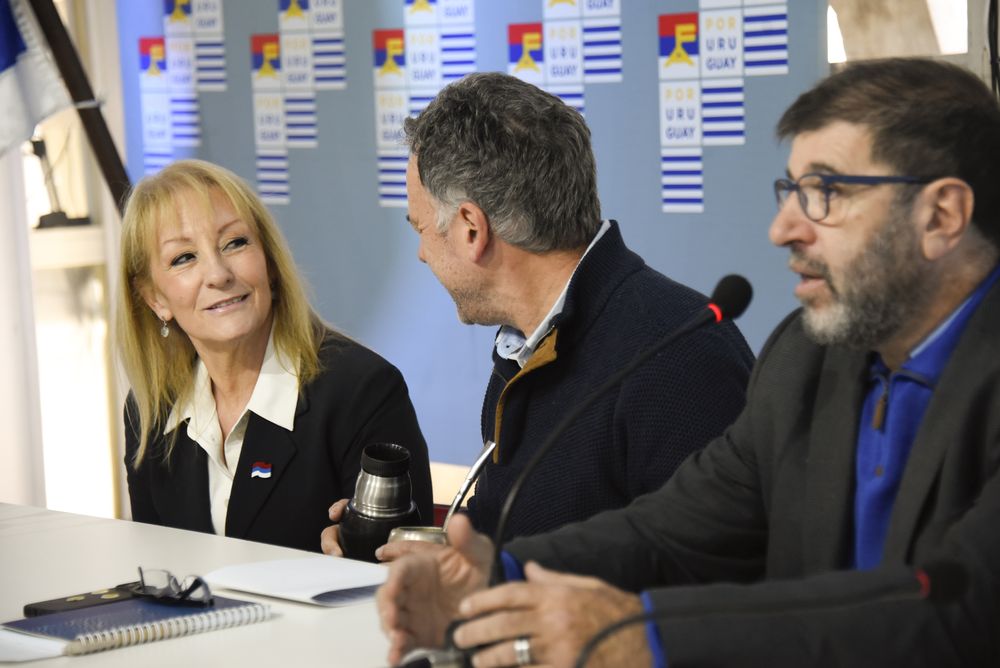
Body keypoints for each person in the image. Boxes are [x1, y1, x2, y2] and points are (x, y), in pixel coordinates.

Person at [376, 57, 1000, 667]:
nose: (783, 228)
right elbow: (676, 527)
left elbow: (961, 608)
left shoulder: (686, 350)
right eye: (790, 191)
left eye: (824, 194)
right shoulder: (806, 357)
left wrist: (644, 637)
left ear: (940, 216)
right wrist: (496, 571)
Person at [321, 72, 753, 555]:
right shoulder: (525, 347)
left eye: (421, 228)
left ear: (470, 229)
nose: (422, 253)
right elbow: (516, 534)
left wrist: (502, 578)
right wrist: (423, 551)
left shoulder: (678, 356)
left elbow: (707, 574)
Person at [117, 159, 432, 554]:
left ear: (269, 260)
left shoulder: (362, 392)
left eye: (235, 243)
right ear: (155, 298)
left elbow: (401, 574)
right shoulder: (149, 410)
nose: (218, 274)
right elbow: (159, 576)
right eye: (184, 258)